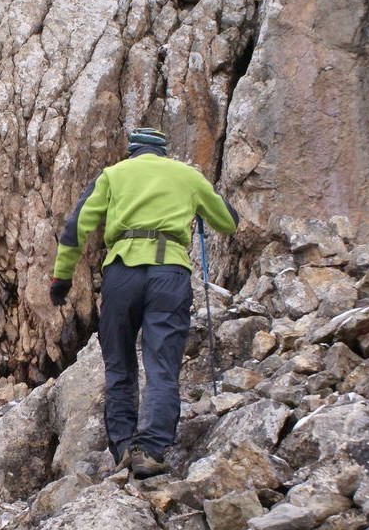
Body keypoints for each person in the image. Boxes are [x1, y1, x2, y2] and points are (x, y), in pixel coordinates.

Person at [50, 128, 239, 478]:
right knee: (161, 363)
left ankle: (123, 448)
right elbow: (228, 222)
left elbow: (77, 225)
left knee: (120, 363)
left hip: (122, 274)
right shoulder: (187, 175)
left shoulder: (113, 175)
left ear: (133, 151)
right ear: (163, 152)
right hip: (170, 274)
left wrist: (62, 277)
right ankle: (149, 450)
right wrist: (194, 202)